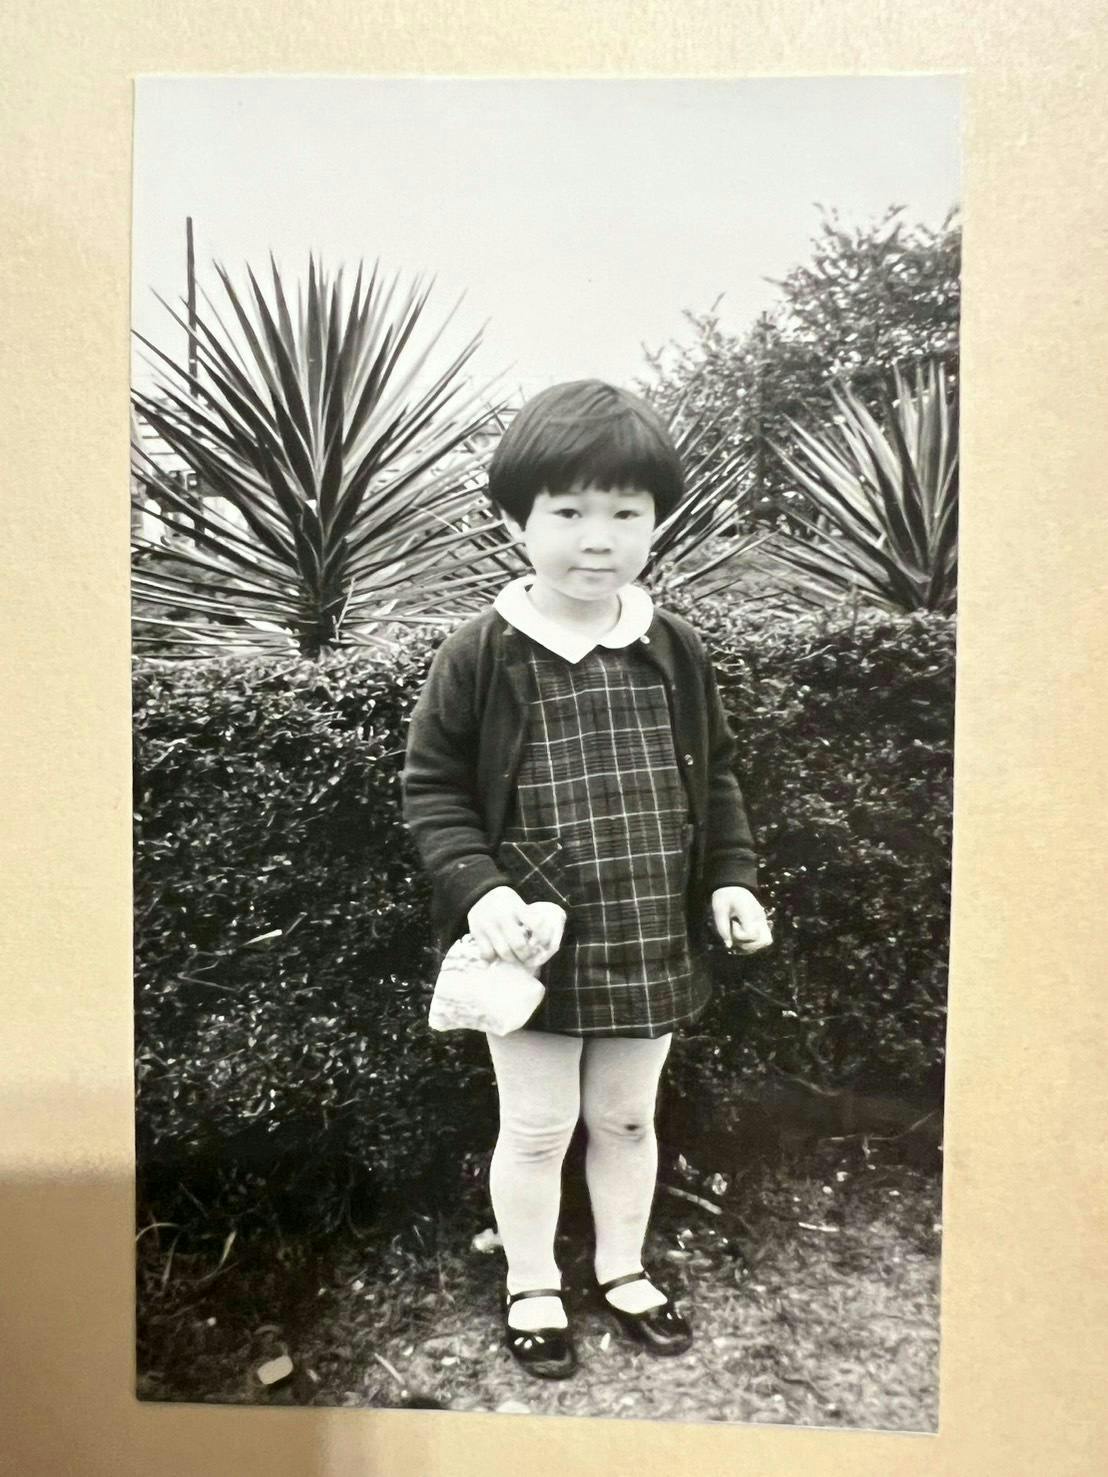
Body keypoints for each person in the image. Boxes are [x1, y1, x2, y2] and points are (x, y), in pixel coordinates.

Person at [402, 380, 772, 1380]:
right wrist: (482, 890)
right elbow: (432, 789)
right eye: (567, 512)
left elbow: (716, 774)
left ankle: (621, 1268)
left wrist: (730, 877)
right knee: (535, 1125)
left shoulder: (672, 646)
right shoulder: (482, 653)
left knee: (626, 1117)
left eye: (625, 513)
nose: (597, 538)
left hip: (648, 931)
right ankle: (531, 1281)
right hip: (532, 945)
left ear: (657, 522)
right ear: (515, 522)